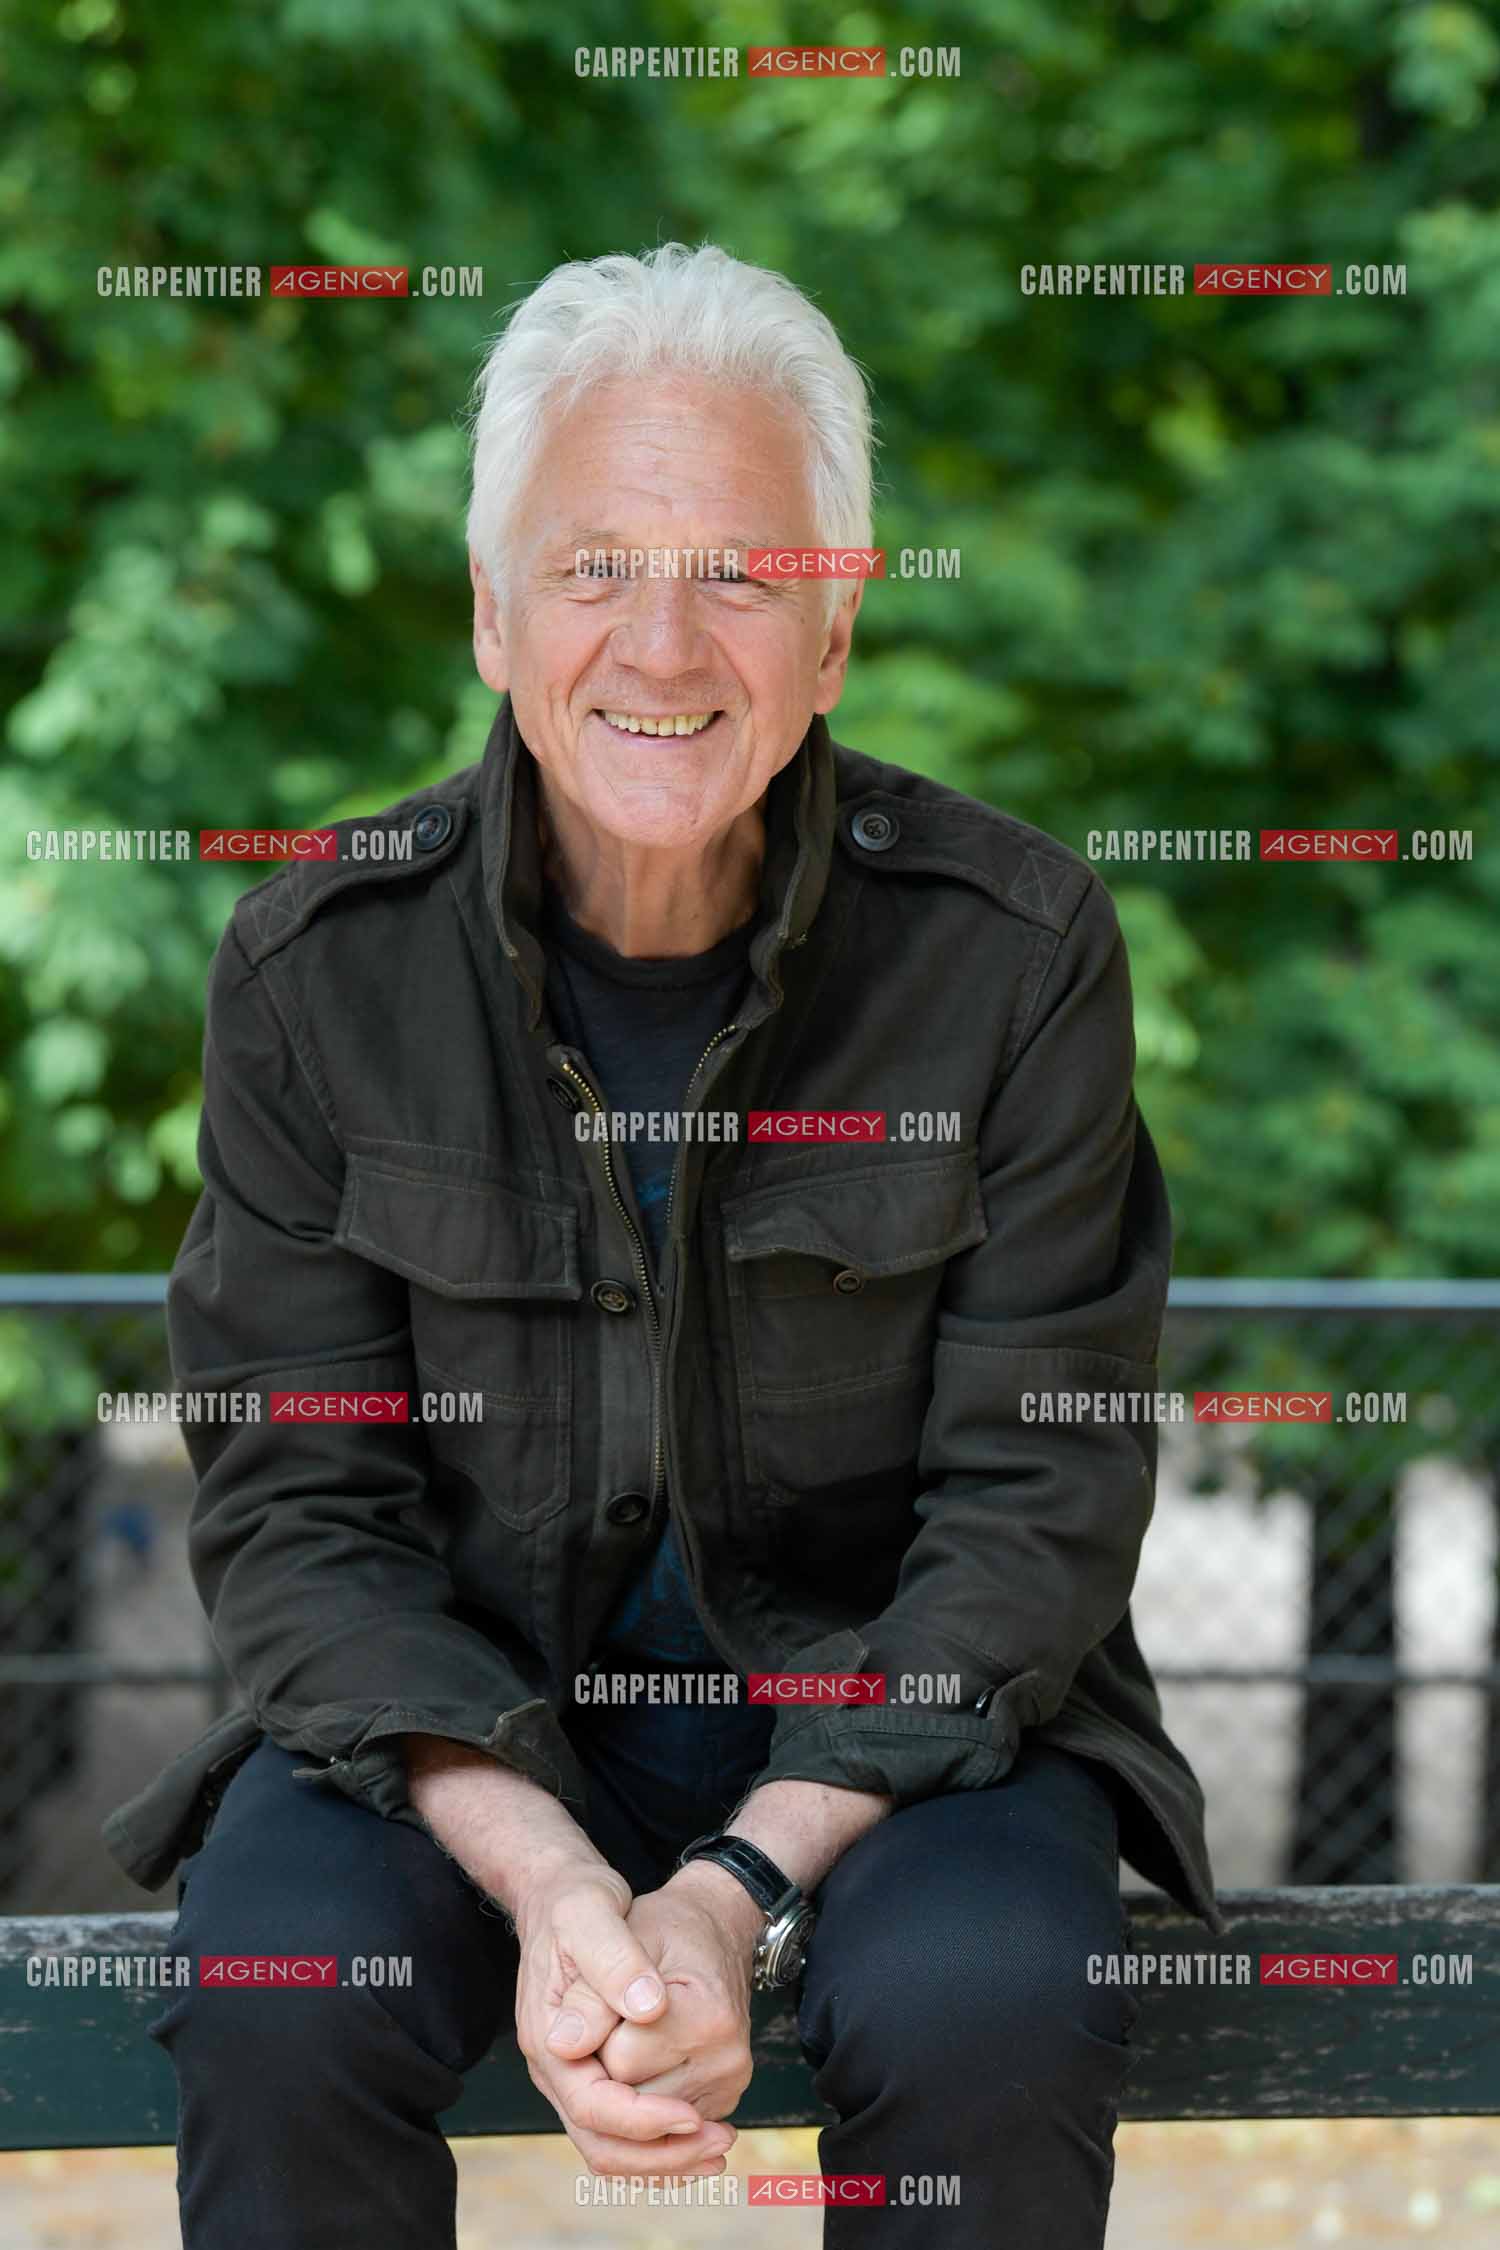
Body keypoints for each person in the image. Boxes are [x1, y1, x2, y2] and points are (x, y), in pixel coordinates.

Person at [104, 241, 1224, 2249]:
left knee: (991, 1999)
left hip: (894, 1744)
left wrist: (732, 1886)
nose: (664, 637)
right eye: (597, 561)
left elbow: (1037, 1499)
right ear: (491, 610)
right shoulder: (311, 969)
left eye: (740, 569)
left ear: (839, 628)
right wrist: (546, 1876)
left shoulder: (1020, 949)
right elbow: (296, 1509)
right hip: (460, 1729)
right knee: (276, 1998)